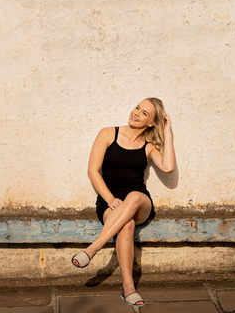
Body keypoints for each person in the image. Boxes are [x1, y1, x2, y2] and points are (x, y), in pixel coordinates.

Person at [71, 98, 175, 308]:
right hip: (109, 201)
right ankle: (129, 288)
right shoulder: (108, 133)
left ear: (151, 123)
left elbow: (168, 167)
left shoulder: (148, 147)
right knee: (126, 226)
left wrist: (168, 132)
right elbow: (93, 171)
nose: (136, 112)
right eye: (137, 107)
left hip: (140, 203)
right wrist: (110, 199)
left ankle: (93, 248)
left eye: (144, 113)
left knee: (134, 197)